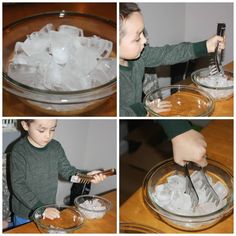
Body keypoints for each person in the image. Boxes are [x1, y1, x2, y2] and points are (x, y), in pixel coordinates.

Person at [119, 3, 225, 116]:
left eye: (143, 33)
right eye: (137, 38)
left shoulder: (142, 56)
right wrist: (143, 109)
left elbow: (167, 54)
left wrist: (206, 46)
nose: (145, 40)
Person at [10, 119, 107, 226]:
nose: (48, 135)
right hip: (25, 213)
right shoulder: (19, 151)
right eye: (42, 130)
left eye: (52, 130)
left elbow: (68, 172)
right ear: (25, 125)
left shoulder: (55, 147)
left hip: (49, 209)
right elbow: (18, 185)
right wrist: (40, 208)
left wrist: (87, 176)